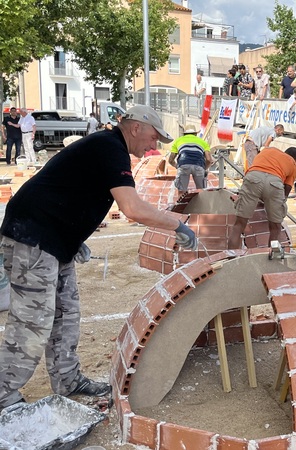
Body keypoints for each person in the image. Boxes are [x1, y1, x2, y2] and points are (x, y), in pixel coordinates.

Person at [0, 105, 198, 412]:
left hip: (52, 236)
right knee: (33, 319)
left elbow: (70, 188)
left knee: (66, 313)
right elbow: (131, 208)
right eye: (153, 136)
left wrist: (71, 237)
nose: (154, 145)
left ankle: (68, 380)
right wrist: (176, 224)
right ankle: (3, 394)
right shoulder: (109, 147)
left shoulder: (109, 148)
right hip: (33, 236)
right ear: (135, 128)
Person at [227, 146, 296, 250]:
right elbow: (286, 191)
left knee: (239, 224)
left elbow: (259, 173)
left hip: (253, 177)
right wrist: (274, 206)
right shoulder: (293, 164)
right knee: (275, 228)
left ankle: (231, 257)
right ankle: (271, 258)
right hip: (275, 182)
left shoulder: (268, 150)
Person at [168, 124, 213, 197]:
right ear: (195, 134)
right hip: (199, 165)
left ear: (185, 134)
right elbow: (209, 160)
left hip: (183, 165)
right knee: (201, 191)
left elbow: (170, 160)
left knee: (181, 191)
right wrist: (204, 168)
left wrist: (177, 166)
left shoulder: (178, 141)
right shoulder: (203, 142)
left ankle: (181, 206)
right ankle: (201, 207)